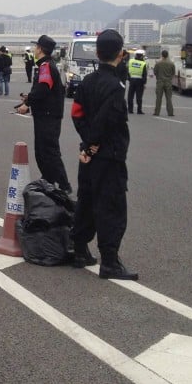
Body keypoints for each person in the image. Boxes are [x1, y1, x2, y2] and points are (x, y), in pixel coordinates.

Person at [70, 29, 138, 280]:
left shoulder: (87, 82)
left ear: (96, 53)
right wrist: (93, 143)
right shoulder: (116, 86)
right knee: (111, 206)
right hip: (108, 155)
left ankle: (79, 250)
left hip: (88, 155)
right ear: (121, 54)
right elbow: (108, 120)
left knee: (86, 200)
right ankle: (110, 262)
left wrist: (86, 145)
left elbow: (76, 114)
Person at [17, 35, 71, 192]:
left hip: (48, 115)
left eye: (36, 47)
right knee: (43, 150)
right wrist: (30, 98)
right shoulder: (47, 64)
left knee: (48, 151)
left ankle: (64, 185)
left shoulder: (46, 66)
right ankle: (48, 180)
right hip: (47, 113)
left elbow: (43, 89)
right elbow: (44, 89)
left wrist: (27, 103)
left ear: (40, 49)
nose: (34, 49)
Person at [152, 50, 176, 117]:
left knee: (158, 98)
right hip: (168, 82)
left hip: (160, 82)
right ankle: (170, 112)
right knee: (169, 98)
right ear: (167, 55)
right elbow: (173, 73)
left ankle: (157, 112)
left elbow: (155, 72)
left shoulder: (158, 63)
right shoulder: (171, 63)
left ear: (162, 55)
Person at [126, 50, 148, 114]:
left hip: (132, 80)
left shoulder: (131, 61)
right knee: (139, 97)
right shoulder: (143, 64)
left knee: (130, 96)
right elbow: (144, 75)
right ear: (141, 56)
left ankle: (130, 110)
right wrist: (144, 83)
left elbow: (128, 71)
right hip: (140, 82)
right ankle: (139, 110)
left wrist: (129, 79)